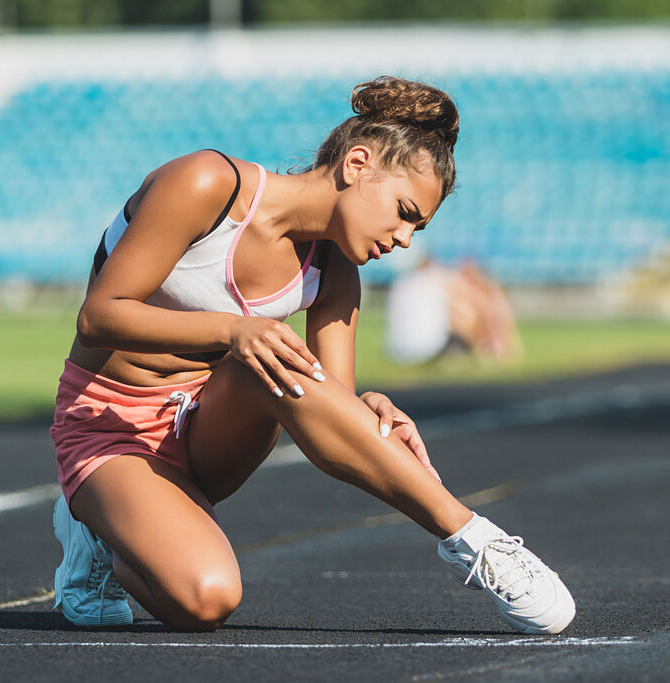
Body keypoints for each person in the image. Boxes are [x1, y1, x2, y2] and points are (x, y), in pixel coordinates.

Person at [49, 76, 575, 635]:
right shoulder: (207, 183)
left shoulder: (337, 274)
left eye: (417, 228)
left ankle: (477, 543)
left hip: (209, 433)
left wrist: (369, 406)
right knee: (207, 601)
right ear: (356, 163)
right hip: (109, 427)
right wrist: (234, 330)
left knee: (279, 365)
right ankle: (101, 525)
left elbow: (326, 401)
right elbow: (99, 315)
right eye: (403, 211)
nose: (404, 239)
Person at [386, 254, 523, 366]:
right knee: (465, 313)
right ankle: (486, 350)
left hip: (396, 350)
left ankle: (485, 349)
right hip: (429, 347)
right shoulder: (440, 281)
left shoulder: (402, 283)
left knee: (464, 311)